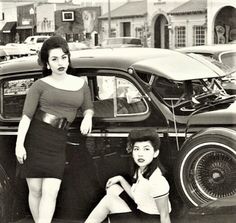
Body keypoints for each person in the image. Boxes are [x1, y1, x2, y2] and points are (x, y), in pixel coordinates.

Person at [15, 35, 94, 223]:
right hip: (35, 139)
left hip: (58, 141)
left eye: (64, 57)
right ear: (47, 64)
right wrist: (19, 145)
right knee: (36, 191)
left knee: (51, 191)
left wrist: (88, 117)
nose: (61, 62)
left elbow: (88, 106)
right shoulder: (39, 86)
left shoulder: (81, 84)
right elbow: (26, 117)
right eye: (54, 59)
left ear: (68, 58)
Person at [85, 129, 171, 223]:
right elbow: (137, 197)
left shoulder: (157, 181)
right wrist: (120, 179)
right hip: (140, 214)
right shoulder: (141, 170)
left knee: (109, 200)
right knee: (113, 188)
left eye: (146, 149)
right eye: (137, 149)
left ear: (155, 153)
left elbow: (165, 215)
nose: (140, 154)